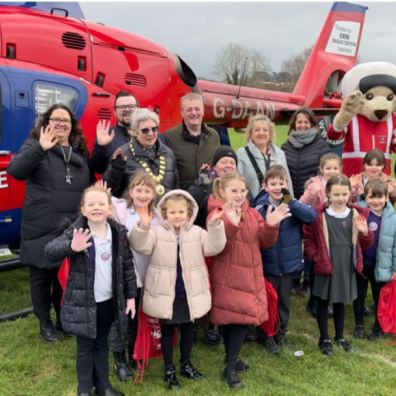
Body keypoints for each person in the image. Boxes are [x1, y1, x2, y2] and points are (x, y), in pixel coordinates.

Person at [7, 103, 92, 343]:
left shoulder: (79, 151)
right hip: (40, 226)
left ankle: (62, 321)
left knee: (63, 278)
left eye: (66, 120)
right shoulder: (34, 145)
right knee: (41, 279)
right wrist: (41, 149)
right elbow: (16, 170)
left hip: (69, 227)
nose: (61, 124)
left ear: (72, 125)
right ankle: (44, 323)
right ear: (47, 122)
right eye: (56, 119)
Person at [45, 185, 136, 396]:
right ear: (83, 210)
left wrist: (130, 296)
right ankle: (84, 390)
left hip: (107, 301)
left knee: (102, 344)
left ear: (110, 209)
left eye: (101, 204)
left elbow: (127, 266)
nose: (96, 208)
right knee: (85, 348)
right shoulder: (77, 231)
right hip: (84, 302)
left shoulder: (117, 232)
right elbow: (50, 251)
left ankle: (103, 387)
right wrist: (71, 247)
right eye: (91, 204)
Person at [130, 189, 226, 390]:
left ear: (189, 213)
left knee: (189, 329)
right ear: (164, 213)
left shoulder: (198, 232)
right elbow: (141, 246)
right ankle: (168, 369)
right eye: (172, 212)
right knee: (168, 330)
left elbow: (213, 247)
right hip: (166, 293)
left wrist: (215, 226)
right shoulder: (156, 233)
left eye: (181, 212)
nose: (177, 216)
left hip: (189, 292)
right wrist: (143, 226)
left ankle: (186, 363)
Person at [207, 172, 290, 389]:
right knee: (235, 318)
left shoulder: (253, 214)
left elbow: (264, 242)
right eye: (233, 191)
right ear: (223, 192)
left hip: (250, 274)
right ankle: (230, 368)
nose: (239, 195)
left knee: (240, 318)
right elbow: (219, 244)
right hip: (228, 274)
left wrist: (271, 226)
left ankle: (231, 359)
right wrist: (231, 223)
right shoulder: (217, 214)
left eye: (242, 191)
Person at [304, 175, 373, 356]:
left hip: (345, 264)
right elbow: (309, 240)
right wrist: (316, 256)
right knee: (323, 299)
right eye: (336, 194)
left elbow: (364, 244)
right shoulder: (319, 216)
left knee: (340, 300)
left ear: (350, 194)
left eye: (344, 194)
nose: (341, 198)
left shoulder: (356, 215)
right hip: (325, 263)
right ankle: (324, 338)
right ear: (328, 194)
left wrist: (365, 233)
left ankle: (340, 336)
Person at [254, 165, 316, 354]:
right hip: (269, 264)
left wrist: (291, 201)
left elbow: (311, 217)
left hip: (288, 265)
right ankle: (266, 335)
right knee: (269, 301)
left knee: (284, 302)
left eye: (281, 183)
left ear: (286, 184)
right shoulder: (260, 207)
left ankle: (280, 332)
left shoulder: (293, 205)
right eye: (273, 183)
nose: (277, 187)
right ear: (265, 186)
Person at [108, 171, 159, 381]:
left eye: (147, 190)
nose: (143, 194)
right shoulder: (121, 209)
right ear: (131, 191)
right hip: (124, 275)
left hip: (145, 274)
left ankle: (135, 353)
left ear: (154, 193)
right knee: (121, 319)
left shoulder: (157, 215)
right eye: (139, 190)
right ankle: (120, 360)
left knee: (138, 318)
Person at [188, 145, 238, 345]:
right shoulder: (205, 183)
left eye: (231, 162)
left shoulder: (239, 185)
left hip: (232, 244)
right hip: (207, 243)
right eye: (223, 162)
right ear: (215, 166)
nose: (227, 165)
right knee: (209, 284)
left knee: (226, 285)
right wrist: (203, 181)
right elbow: (191, 204)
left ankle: (221, 324)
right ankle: (207, 324)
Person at [300, 152, 342, 316]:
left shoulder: (341, 182)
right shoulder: (315, 184)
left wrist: (354, 190)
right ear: (321, 169)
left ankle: (326, 299)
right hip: (317, 230)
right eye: (328, 168)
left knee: (331, 266)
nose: (331, 171)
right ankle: (313, 301)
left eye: (335, 168)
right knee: (316, 267)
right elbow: (302, 204)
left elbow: (347, 201)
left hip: (336, 230)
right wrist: (312, 193)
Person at [354, 179, 396, 340]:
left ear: (386, 197)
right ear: (365, 197)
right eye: (372, 197)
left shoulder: (393, 218)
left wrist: (394, 268)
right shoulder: (360, 212)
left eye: (380, 197)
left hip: (382, 266)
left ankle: (378, 327)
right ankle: (359, 324)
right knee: (359, 294)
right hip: (363, 263)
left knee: (379, 297)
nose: (376, 201)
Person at [104, 108, 179, 198]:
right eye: (145, 130)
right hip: (134, 211)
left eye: (154, 129)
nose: (151, 134)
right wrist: (116, 167)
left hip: (164, 210)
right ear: (135, 132)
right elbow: (108, 190)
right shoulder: (122, 154)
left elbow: (176, 189)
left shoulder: (168, 153)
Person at [163, 93, 220, 190]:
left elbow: (217, 165)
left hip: (209, 195)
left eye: (197, 109)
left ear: (203, 111)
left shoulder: (213, 136)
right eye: (189, 109)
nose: (194, 113)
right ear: (182, 112)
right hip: (182, 197)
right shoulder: (168, 137)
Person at [236, 114, 293, 200]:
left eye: (265, 130)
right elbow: (237, 183)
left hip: (278, 207)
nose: (261, 133)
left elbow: (287, 183)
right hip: (254, 209)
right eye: (257, 130)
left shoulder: (280, 154)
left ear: (270, 134)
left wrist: (289, 204)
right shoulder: (241, 154)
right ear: (250, 134)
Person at [282, 107, 331, 199]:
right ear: (294, 124)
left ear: (312, 124)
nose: (302, 125)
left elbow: (328, 174)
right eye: (299, 122)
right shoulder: (286, 147)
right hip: (290, 198)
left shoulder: (322, 146)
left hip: (314, 197)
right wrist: (286, 200)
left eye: (306, 122)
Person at [92, 91, 139, 174]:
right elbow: (98, 168)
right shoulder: (106, 135)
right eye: (122, 107)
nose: (127, 109)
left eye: (131, 106)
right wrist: (102, 148)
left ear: (138, 109)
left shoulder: (149, 133)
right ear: (115, 112)